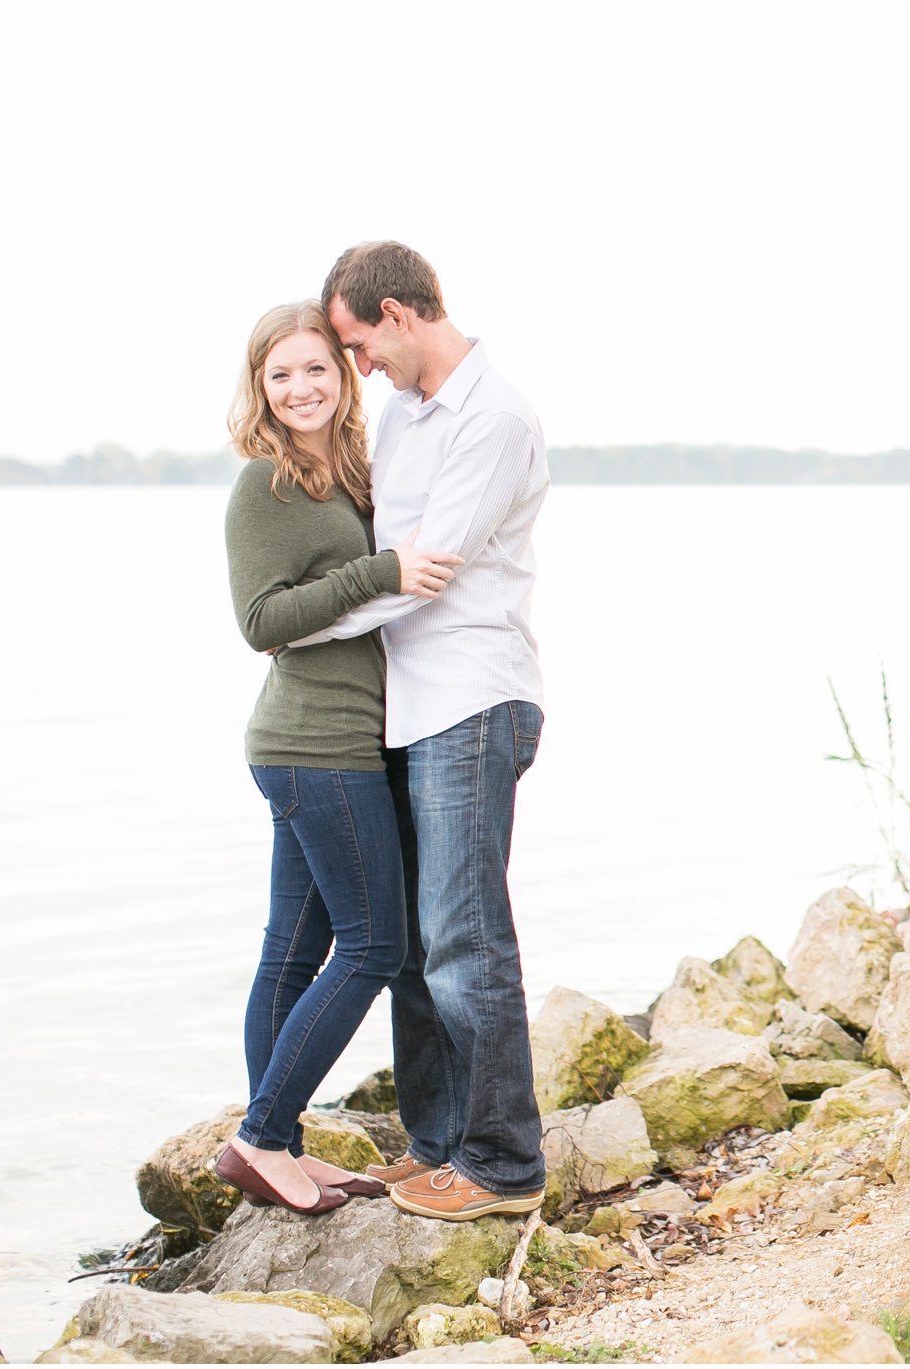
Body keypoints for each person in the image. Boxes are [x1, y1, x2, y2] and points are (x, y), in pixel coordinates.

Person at [292, 242, 552, 1220]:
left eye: (357, 345)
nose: (358, 368)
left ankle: (501, 1163)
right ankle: (438, 1140)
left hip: (472, 699)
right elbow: (384, 559)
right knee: (409, 944)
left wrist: (303, 620)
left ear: (398, 314)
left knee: (462, 936)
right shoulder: (401, 416)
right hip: (407, 706)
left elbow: (421, 571)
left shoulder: (493, 419)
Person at [218, 300, 466, 1215]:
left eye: (316, 368)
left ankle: (275, 1142)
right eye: (280, 374)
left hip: (344, 739)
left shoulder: (354, 472)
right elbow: (260, 622)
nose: (300, 388)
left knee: (295, 949)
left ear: (343, 372)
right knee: (373, 945)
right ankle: (260, 1137)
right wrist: (384, 569)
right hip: (311, 745)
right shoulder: (267, 485)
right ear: (261, 388)